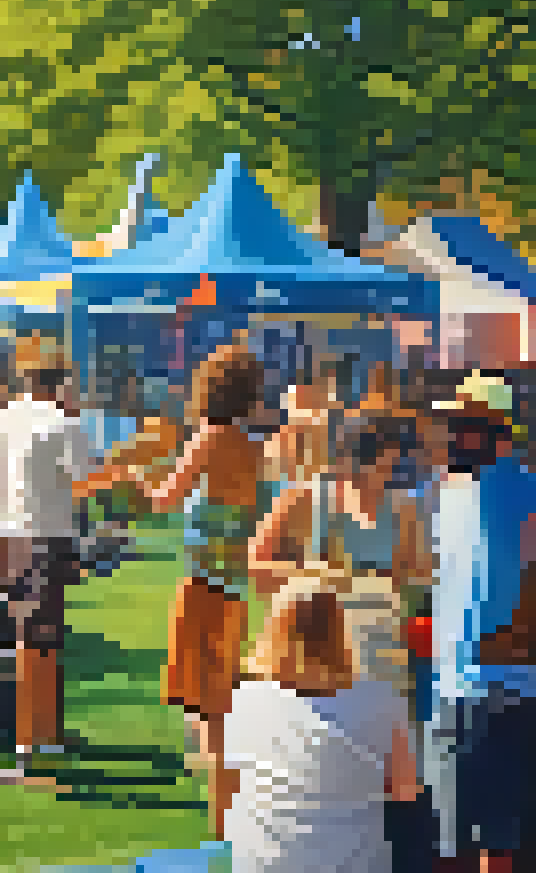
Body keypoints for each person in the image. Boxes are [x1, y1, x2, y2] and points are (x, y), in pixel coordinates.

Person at [149, 341, 271, 839]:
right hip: (237, 589)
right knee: (220, 704)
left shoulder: (209, 439)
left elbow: (166, 500)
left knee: (211, 712)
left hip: (203, 585)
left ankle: (224, 824)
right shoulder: (252, 446)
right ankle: (229, 813)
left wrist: (136, 479)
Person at [222, 586, 418, 873]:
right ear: (340, 635)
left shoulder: (245, 699)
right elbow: (406, 791)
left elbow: (234, 787)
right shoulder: (381, 700)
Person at [423, 373, 535, 873]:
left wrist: (508, 640)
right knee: (473, 841)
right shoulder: (450, 491)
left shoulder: (516, 491)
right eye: (449, 423)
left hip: (488, 691)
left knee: (473, 844)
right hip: (462, 688)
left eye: (464, 424)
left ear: (498, 432)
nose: (450, 434)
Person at [0, 335, 96, 787]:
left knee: (34, 641)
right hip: (45, 536)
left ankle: (45, 739)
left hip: (7, 539)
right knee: (38, 644)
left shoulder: (1, 418)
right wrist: (128, 469)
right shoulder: (63, 424)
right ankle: (31, 746)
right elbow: (84, 481)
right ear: (62, 383)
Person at [248, 410, 433, 697]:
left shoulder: (404, 512)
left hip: (376, 653)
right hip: (309, 652)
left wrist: (384, 581)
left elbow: (419, 579)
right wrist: (318, 576)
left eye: (388, 462)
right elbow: (257, 567)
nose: (383, 471)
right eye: (371, 460)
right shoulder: (305, 500)